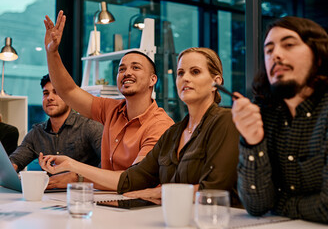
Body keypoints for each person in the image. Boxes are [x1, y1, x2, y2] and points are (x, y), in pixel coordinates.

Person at [40, 47, 241, 206]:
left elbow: (216, 189)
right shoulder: (174, 133)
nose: (185, 78)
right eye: (180, 73)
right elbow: (132, 179)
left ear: (216, 82)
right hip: (176, 218)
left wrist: (160, 192)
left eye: (195, 72)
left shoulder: (225, 120)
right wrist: (71, 165)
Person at [232, 16, 328, 224]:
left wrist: (278, 203)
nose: (276, 55)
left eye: (289, 45)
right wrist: (252, 141)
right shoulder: (268, 110)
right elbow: (256, 205)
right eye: (269, 50)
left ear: (319, 54)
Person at [42, 10, 174, 189]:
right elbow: (68, 91)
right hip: (108, 201)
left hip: (141, 208)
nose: (127, 72)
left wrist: (74, 170)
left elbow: (133, 180)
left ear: (153, 80)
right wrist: (52, 52)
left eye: (136, 67)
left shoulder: (160, 125)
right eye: (121, 69)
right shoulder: (111, 109)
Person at [10, 74, 103, 188]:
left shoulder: (90, 126)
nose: (50, 97)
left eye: (56, 92)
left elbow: (108, 166)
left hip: (85, 197)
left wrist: (78, 178)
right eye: (46, 93)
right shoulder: (37, 132)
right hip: (48, 198)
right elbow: (15, 161)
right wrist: (9, 169)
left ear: (69, 97)